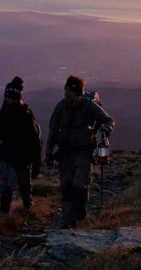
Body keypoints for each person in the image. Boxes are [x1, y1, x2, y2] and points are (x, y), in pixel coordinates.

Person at [46, 75, 115, 228]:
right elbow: (53, 131)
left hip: (83, 151)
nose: (67, 99)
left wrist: (106, 128)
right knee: (66, 185)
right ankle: (69, 217)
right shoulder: (60, 107)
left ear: (79, 95)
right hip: (65, 152)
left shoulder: (89, 106)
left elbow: (108, 119)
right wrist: (48, 153)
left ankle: (70, 219)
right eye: (66, 94)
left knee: (78, 184)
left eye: (70, 95)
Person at [0, 76, 42, 214]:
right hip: (9, 156)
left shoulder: (24, 115)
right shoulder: (4, 116)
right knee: (8, 186)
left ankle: (25, 210)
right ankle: (8, 212)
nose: (9, 101)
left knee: (22, 186)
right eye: (8, 98)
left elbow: (35, 140)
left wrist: (36, 162)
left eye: (12, 98)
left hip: (21, 158)